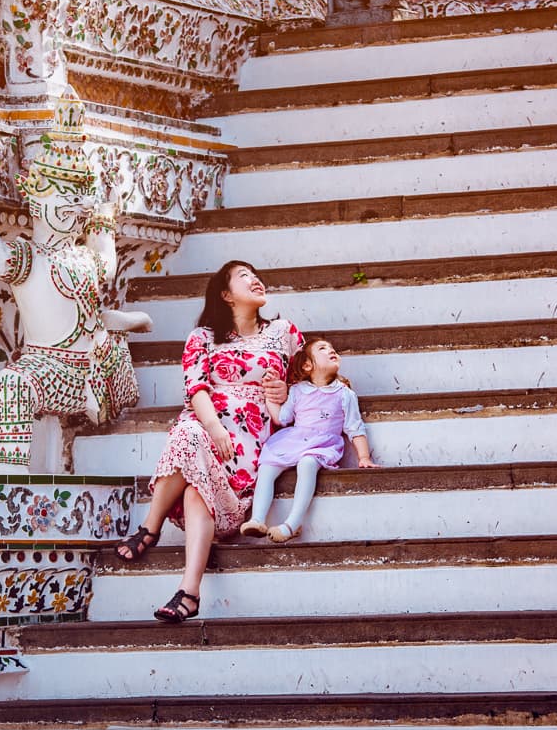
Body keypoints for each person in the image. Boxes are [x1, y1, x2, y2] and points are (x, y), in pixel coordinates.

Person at [114, 260, 302, 622]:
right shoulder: (202, 337)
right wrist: (216, 429)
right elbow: (196, 388)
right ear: (226, 294)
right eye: (244, 276)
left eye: (257, 275)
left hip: (248, 446)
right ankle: (153, 531)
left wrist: (286, 389)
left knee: (196, 491)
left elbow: (309, 377)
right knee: (187, 431)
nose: (256, 280)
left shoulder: (285, 332)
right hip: (208, 426)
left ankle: (187, 590)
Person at [242, 337, 379, 543]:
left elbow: (354, 427)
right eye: (323, 349)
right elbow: (282, 418)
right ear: (307, 365)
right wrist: (269, 394)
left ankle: (292, 523)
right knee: (268, 466)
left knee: (307, 464)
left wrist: (364, 456)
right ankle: (257, 519)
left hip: (322, 445)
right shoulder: (298, 390)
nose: (331, 350)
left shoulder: (344, 394)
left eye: (333, 348)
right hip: (295, 438)